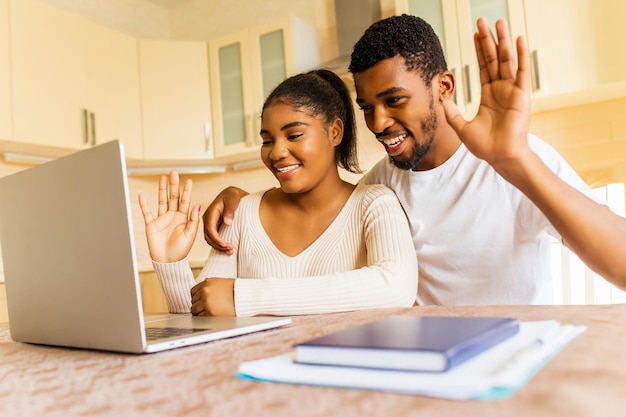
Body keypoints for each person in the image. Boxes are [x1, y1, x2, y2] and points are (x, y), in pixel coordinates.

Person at [202, 15, 626, 306]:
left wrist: (515, 160)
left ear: (443, 86)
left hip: (512, 367)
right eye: (367, 106)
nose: (378, 122)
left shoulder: (513, 163)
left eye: (394, 100)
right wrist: (242, 198)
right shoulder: (380, 187)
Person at [138, 69, 417, 317]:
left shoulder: (375, 204)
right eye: (267, 141)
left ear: (334, 132)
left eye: (294, 135)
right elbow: (203, 310)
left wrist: (244, 296)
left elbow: (395, 288)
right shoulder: (243, 212)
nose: (277, 152)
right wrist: (170, 262)